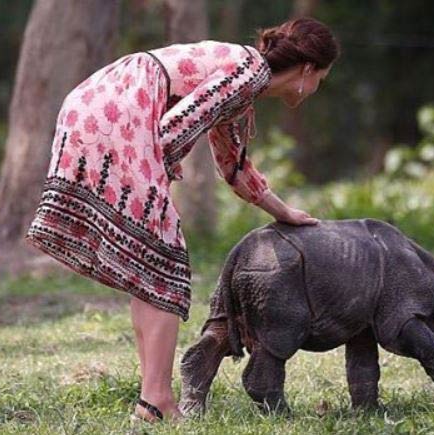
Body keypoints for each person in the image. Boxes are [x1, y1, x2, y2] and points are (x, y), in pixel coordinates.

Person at [25, 17, 340, 422]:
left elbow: (234, 167)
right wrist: (162, 174)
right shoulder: (249, 72)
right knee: (164, 264)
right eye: (322, 80)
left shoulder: (245, 75)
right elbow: (176, 128)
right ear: (307, 71)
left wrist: (284, 213)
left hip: (97, 103)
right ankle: (156, 402)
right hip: (121, 108)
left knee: (150, 265)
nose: (316, 90)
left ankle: (151, 399)